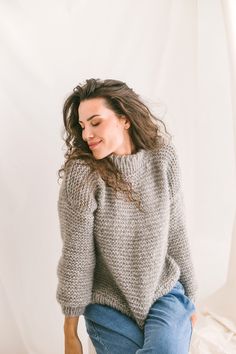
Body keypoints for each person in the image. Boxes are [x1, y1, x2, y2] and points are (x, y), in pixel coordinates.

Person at [56, 78, 198, 354]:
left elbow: (177, 232)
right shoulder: (83, 175)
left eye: (95, 122)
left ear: (125, 119)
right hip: (107, 303)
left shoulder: (163, 159)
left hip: (163, 291)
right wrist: (69, 333)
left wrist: (191, 300)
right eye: (83, 126)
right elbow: (77, 254)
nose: (86, 135)